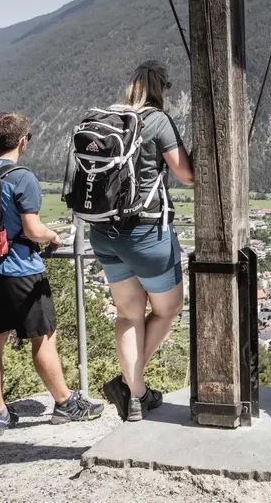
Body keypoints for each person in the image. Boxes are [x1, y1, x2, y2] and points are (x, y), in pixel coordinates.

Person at [0, 113, 104, 438]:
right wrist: (54, 237)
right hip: (22, 271)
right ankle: (64, 403)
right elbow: (32, 229)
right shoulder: (22, 177)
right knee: (43, 337)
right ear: (23, 141)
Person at [90, 61, 193, 422]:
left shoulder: (109, 119)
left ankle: (137, 397)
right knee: (168, 308)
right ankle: (126, 384)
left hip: (103, 233)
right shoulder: (156, 120)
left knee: (128, 313)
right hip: (145, 232)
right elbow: (186, 174)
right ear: (162, 88)